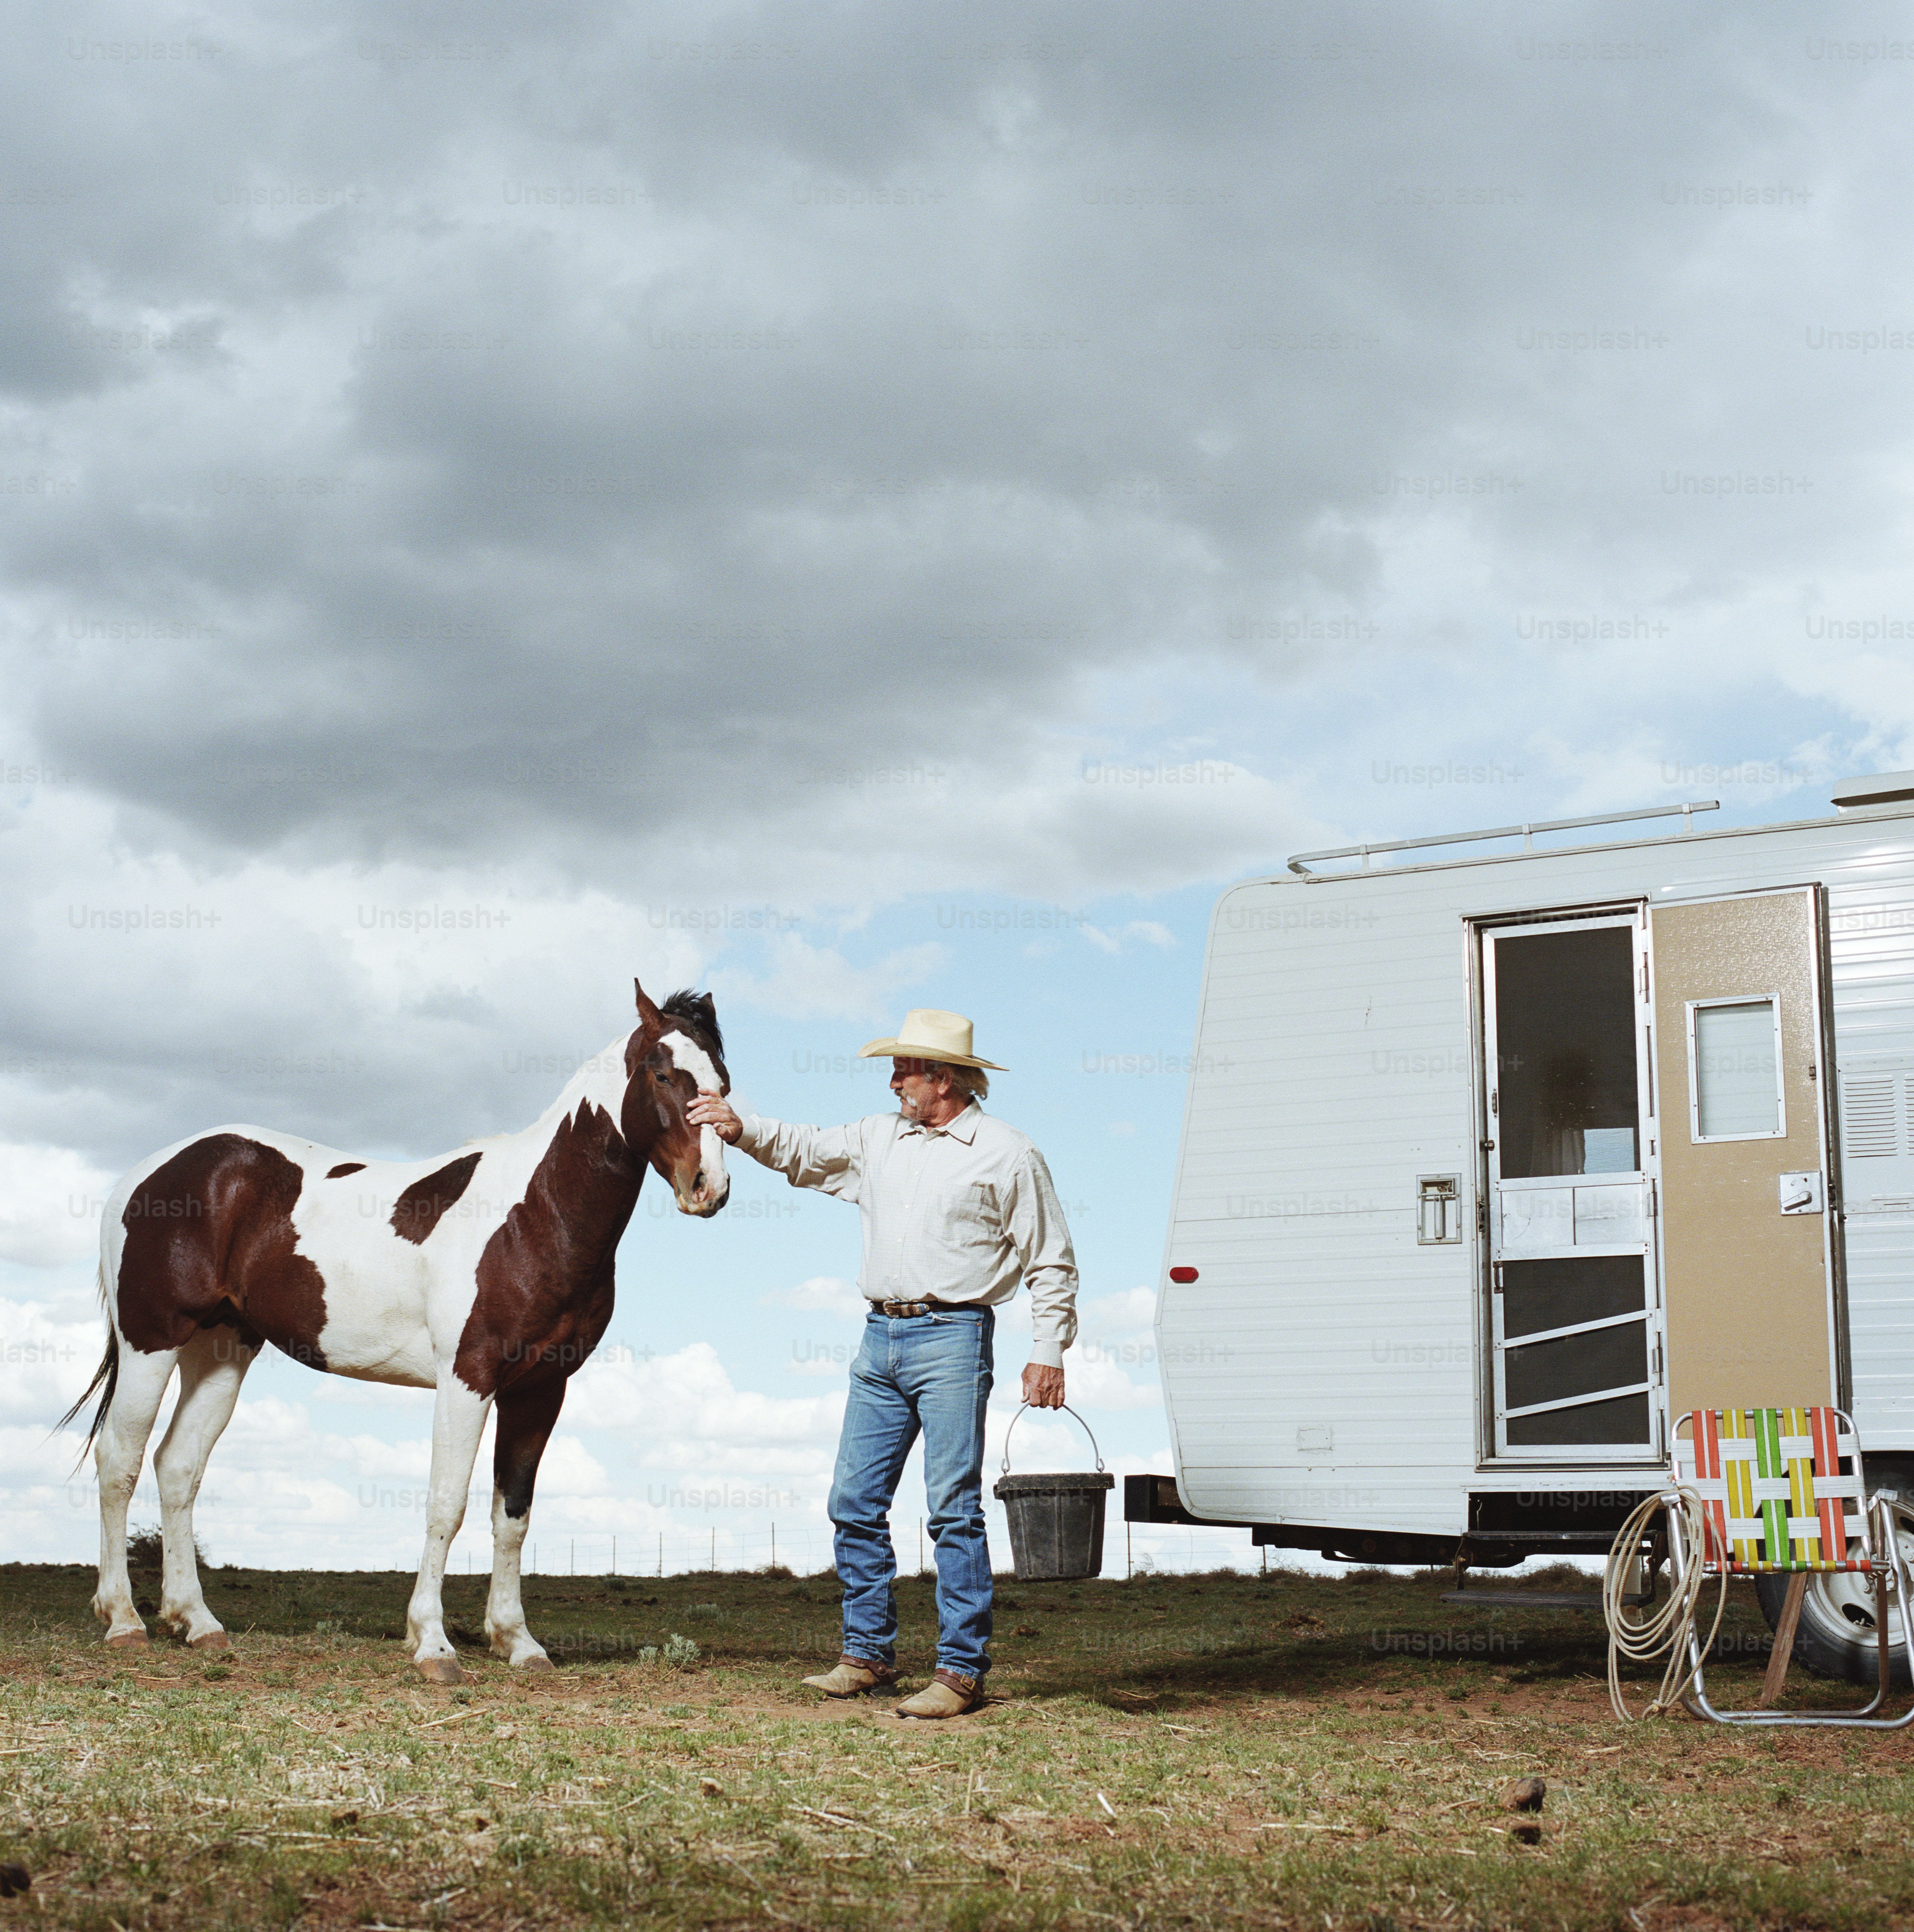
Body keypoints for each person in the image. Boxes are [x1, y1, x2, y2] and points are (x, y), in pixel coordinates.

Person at [689, 1007, 1077, 1718]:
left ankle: (960, 1674)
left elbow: (1050, 1260)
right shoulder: (879, 1138)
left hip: (954, 1339)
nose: (893, 1080)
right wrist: (739, 1129)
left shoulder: (1007, 1153)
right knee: (853, 1504)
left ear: (945, 1079)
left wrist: (1047, 1350)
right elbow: (804, 1147)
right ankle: (866, 1655)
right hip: (880, 1341)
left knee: (953, 1510)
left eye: (904, 1068)